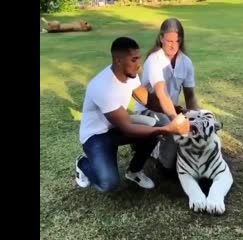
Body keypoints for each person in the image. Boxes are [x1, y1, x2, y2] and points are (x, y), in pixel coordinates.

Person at [75, 36, 190, 192]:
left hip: (115, 127)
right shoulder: (103, 87)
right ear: (118, 61)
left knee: (154, 129)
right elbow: (128, 128)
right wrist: (167, 130)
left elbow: (148, 101)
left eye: (139, 59)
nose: (139, 65)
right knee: (109, 184)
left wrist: (175, 109)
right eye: (134, 60)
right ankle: (82, 164)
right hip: (96, 136)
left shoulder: (131, 75)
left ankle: (134, 171)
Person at [134, 18, 199, 173]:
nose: (172, 45)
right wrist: (175, 119)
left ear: (181, 40)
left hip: (171, 109)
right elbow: (161, 94)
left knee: (194, 128)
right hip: (150, 109)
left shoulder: (186, 62)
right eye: (169, 40)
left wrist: (197, 117)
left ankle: (158, 148)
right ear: (161, 37)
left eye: (176, 41)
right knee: (172, 131)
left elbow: (190, 96)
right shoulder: (154, 60)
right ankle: (164, 166)